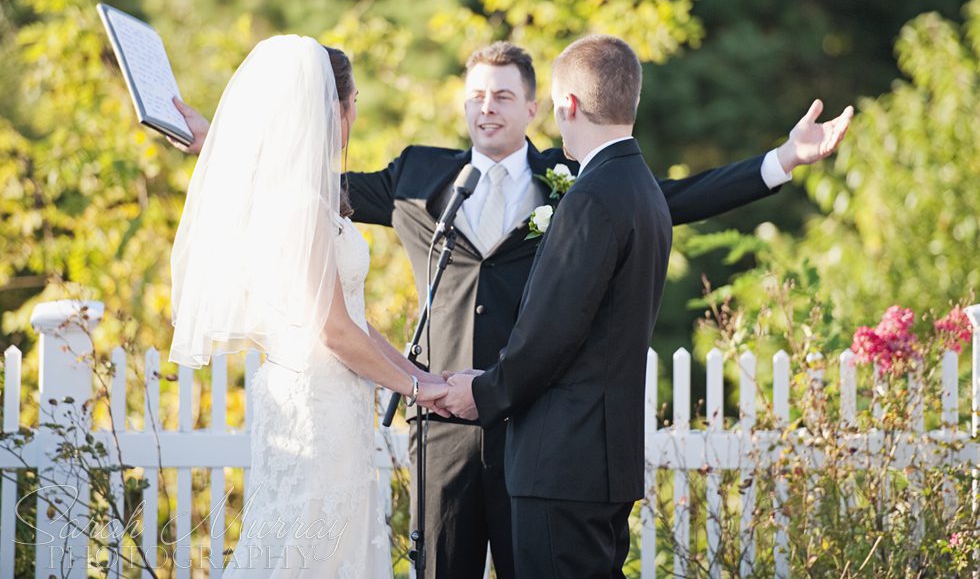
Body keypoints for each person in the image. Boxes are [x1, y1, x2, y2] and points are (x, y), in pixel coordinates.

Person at [168, 40, 852, 579]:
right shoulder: (415, 176)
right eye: (474, 96)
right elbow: (307, 177)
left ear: (538, 107)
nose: (485, 108)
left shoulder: (581, 179)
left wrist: (780, 160)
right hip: (442, 424)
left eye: (502, 95)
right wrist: (217, 143)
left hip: (534, 421)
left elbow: (671, 195)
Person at [168, 35, 447, 577]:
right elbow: (335, 332)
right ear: (332, 107)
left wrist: (422, 377)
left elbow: (354, 319)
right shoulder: (299, 204)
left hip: (326, 401)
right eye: (354, 99)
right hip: (315, 410)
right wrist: (416, 390)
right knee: (307, 551)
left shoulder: (291, 193)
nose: (356, 112)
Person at [436, 34, 672, 577]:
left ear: (568, 106)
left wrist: (484, 391)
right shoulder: (642, 188)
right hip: (604, 458)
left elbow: (552, 333)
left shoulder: (590, 197)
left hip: (561, 462)